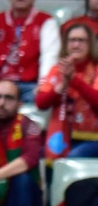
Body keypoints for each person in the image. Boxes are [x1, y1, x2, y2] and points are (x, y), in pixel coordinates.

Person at [34, 21, 98, 159]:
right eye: (72, 40)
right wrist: (62, 85)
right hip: (63, 133)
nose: (76, 45)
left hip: (94, 138)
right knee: (37, 154)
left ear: (90, 44)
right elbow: (40, 103)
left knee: (73, 157)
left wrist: (74, 80)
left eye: (81, 40)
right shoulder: (56, 70)